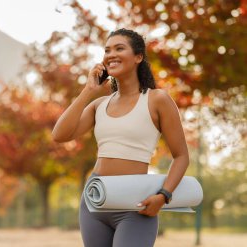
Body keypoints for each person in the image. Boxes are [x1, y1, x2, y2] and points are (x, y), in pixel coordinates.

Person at [51, 28, 189, 247]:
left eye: (119, 48)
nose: (111, 54)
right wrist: (88, 90)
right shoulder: (99, 104)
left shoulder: (157, 100)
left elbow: (181, 156)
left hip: (136, 204)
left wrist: (164, 195)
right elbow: (59, 134)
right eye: (107, 50)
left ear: (138, 56)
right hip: (95, 201)